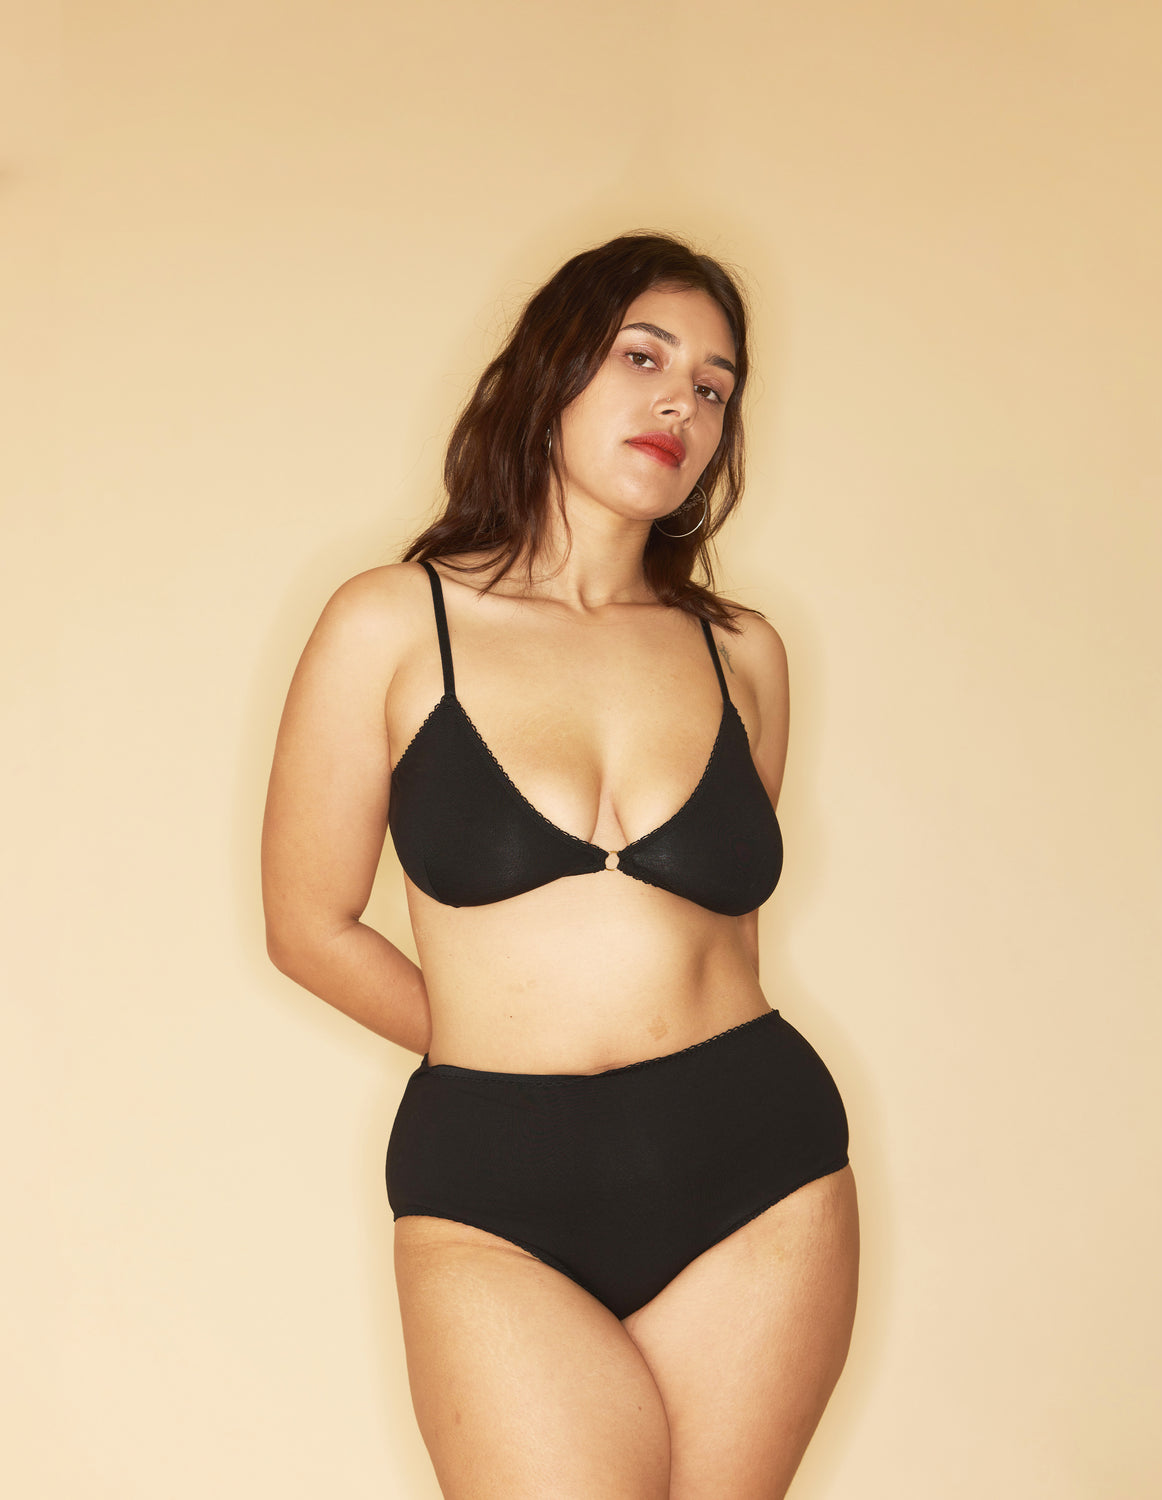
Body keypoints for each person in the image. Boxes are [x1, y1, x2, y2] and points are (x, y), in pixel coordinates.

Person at [262, 232, 859, 1500]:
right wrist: (497, 1050)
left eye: (713, 387)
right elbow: (308, 925)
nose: (680, 403)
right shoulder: (392, 623)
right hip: (497, 1180)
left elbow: (722, 929)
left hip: (757, 1166)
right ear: (552, 372)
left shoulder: (742, 653)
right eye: (644, 357)